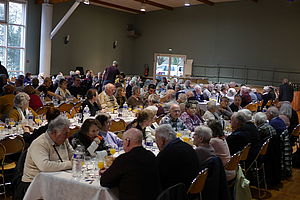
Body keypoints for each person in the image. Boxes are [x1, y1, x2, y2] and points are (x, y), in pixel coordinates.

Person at [19, 116, 74, 199]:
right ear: (54, 133)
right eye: (65, 133)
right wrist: (70, 164)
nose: (67, 136)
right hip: (35, 185)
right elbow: (44, 166)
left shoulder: (64, 140)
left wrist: (75, 160)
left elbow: (73, 155)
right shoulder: (40, 143)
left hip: (58, 179)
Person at [100, 128, 161, 200]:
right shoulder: (151, 155)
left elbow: (104, 182)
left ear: (128, 141)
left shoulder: (125, 159)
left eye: (123, 142)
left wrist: (105, 172)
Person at [155, 124, 199, 190]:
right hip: (193, 189)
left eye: (156, 140)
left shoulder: (166, 154)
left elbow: (157, 176)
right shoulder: (188, 146)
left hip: (177, 193)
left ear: (162, 140)